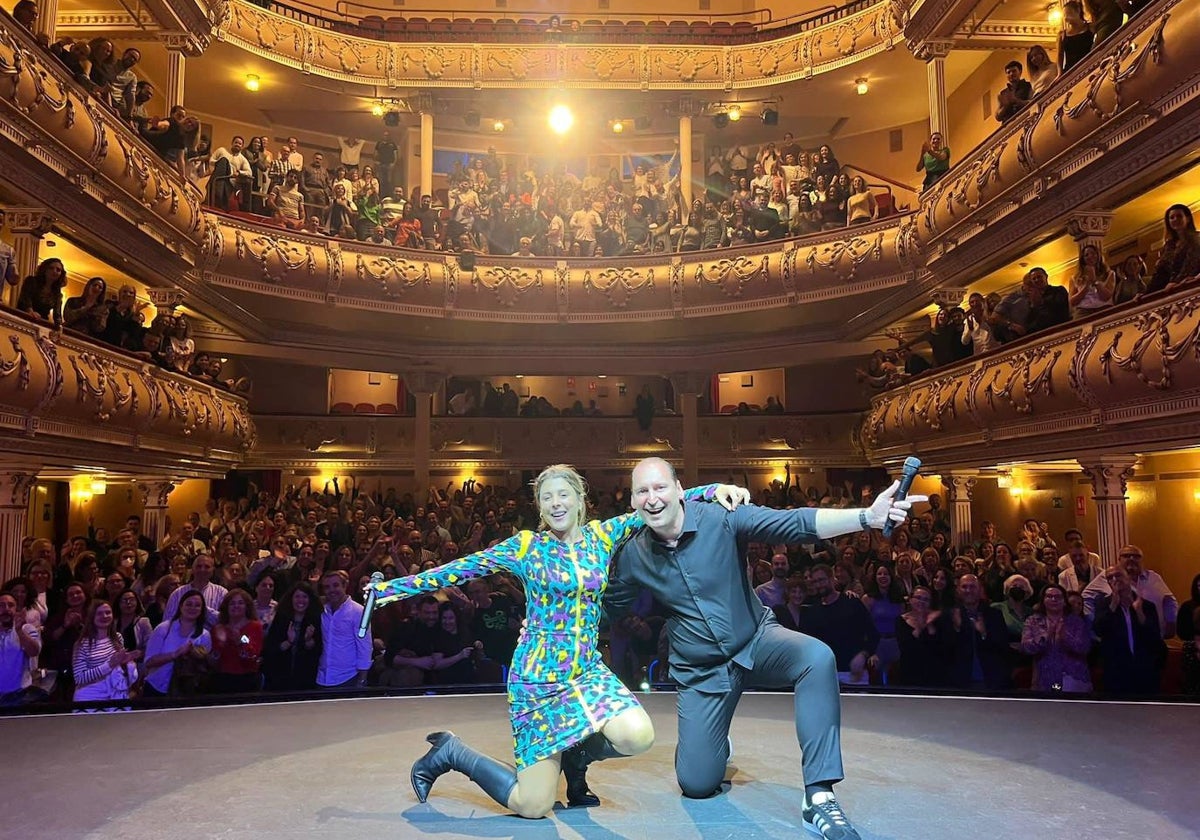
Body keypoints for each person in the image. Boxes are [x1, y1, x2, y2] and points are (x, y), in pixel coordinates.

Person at [366, 465, 747, 818]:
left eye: (563, 494)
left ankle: (577, 757)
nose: (555, 503)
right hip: (536, 682)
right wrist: (388, 591)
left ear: (580, 500)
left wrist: (715, 489)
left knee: (638, 735)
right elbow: (459, 569)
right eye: (547, 498)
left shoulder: (603, 535)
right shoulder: (526, 546)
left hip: (585, 673)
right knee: (533, 805)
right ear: (540, 508)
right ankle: (451, 752)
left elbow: (658, 500)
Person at [605, 457, 925, 840]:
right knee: (697, 784)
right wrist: (548, 623)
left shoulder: (720, 516)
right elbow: (606, 608)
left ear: (679, 491)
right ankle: (714, 740)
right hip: (702, 672)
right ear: (634, 502)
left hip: (756, 642)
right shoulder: (632, 556)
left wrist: (866, 517)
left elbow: (794, 524)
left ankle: (819, 796)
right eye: (642, 491)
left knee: (815, 658)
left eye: (660, 488)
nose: (652, 498)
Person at [1019, 584, 1091, 693]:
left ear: (1064, 601)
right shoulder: (1033, 621)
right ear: (1043, 600)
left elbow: (1084, 647)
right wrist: (1046, 637)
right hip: (1044, 677)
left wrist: (1065, 637)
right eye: (1049, 596)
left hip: (1073, 677)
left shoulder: (1076, 621)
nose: (1054, 599)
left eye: (1058, 597)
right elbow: (1026, 647)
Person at [72, 601, 141, 706]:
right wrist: (109, 665)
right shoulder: (82, 644)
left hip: (115, 695)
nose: (104, 616)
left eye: (108, 612)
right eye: (99, 613)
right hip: (90, 698)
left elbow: (119, 667)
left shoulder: (118, 638)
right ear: (92, 617)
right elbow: (80, 678)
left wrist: (126, 661)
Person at [261, 582, 322, 692]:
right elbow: (269, 650)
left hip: (305, 682)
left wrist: (308, 641)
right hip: (278, 681)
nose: (300, 600)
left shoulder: (315, 620)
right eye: (297, 596)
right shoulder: (281, 619)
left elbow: (318, 651)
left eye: (304, 597)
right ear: (291, 599)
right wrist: (289, 642)